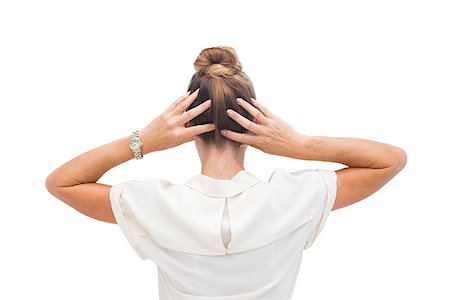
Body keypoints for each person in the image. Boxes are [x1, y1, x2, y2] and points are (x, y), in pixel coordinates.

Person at [45, 46, 407, 299]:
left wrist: (145, 140)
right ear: (254, 128)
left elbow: (61, 182)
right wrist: (297, 144)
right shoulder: (295, 197)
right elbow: (390, 159)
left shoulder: (153, 205)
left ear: (190, 133)